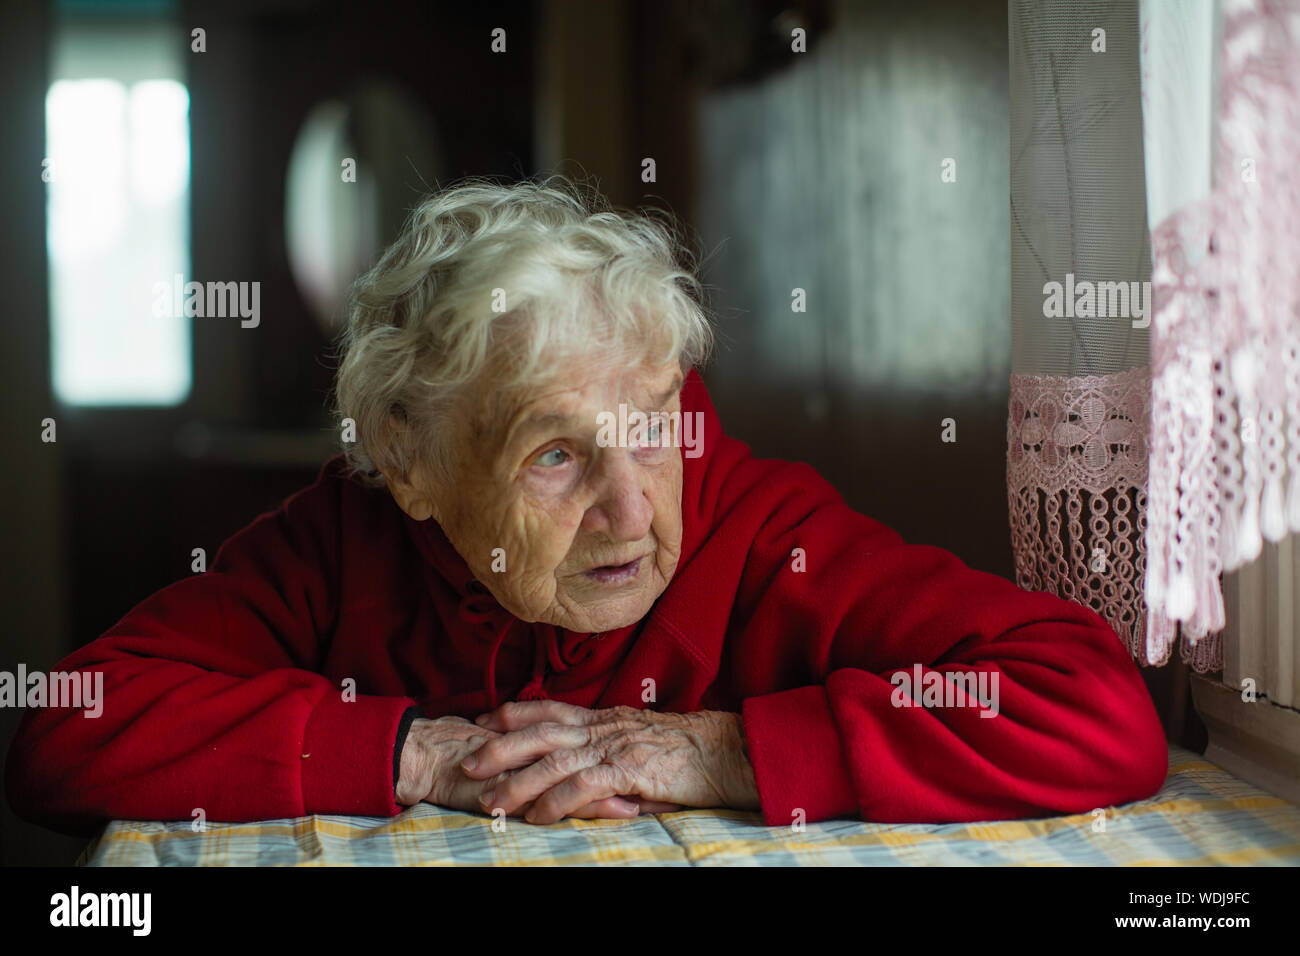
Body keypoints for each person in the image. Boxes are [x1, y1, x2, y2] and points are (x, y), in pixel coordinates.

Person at [6, 175, 1168, 832]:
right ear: (409, 463)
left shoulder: (757, 528)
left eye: (653, 424)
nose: (631, 509)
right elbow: (71, 724)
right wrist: (415, 751)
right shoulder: (346, 535)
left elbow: (1095, 706)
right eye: (554, 455)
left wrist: (715, 752)